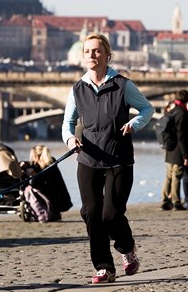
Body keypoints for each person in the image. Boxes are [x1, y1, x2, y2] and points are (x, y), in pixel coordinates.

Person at [62, 33, 153, 284]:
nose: (92, 55)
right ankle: (104, 268)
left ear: (107, 55)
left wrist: (134, 123)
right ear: (83, 56)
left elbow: (147, 109)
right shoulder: (77, 88)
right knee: (91, 212)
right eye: (87, 51)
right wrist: (70, 140)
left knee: (110, 215)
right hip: (89, 158)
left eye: (97, 51)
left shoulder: (123, 85)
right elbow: (67, 124)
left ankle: (127, 246)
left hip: (119, 158)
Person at [19, 145, 73, 222]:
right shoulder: (50, 164)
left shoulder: (46, 169)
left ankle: (44, 212)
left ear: (36, 156)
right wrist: (24, 164)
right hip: (60, 199)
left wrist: (33, 175)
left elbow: (36, 184)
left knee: (29, 188)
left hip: (54, 199)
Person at [160, 90, 188, 211]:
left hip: (169, 148)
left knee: (168, 176)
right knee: (177, 176)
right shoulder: (182, 113)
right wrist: (185, 155)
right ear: (186, 100)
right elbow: (181, 136)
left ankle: (164, 201)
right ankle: (176, 202)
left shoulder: (171, 111)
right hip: (178, 149)